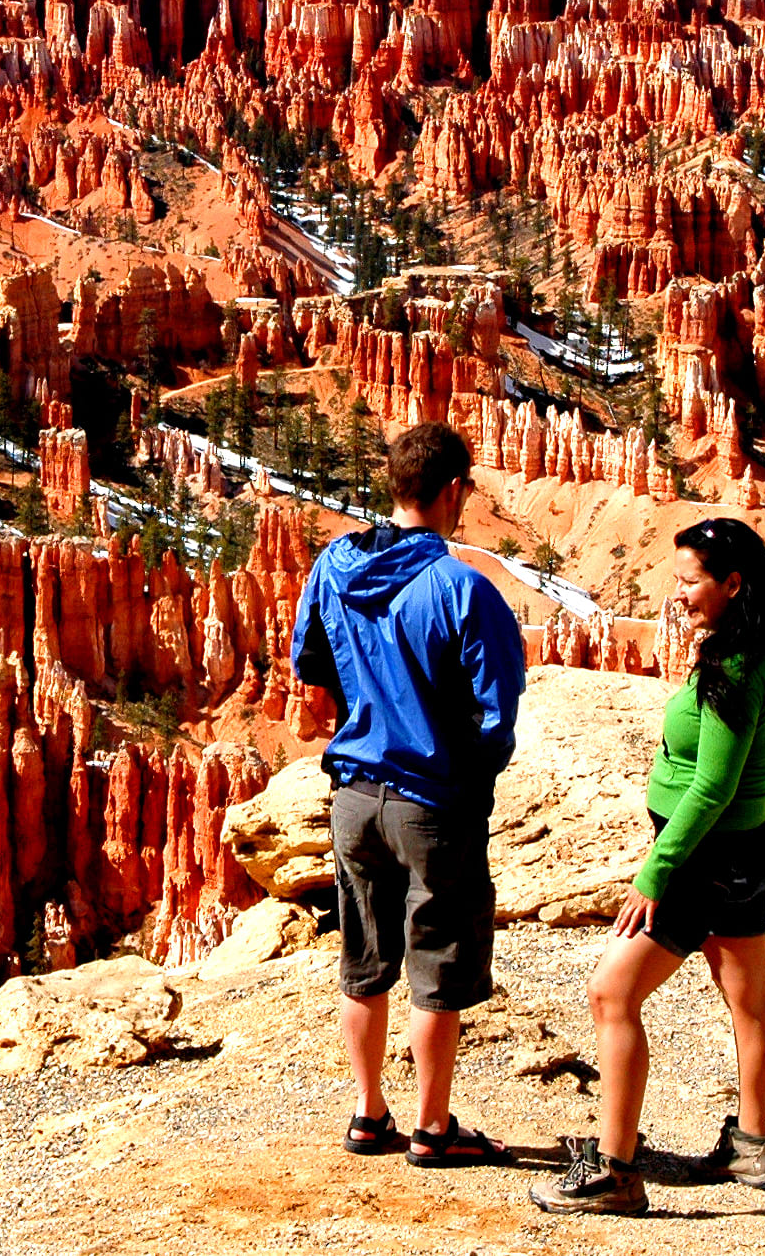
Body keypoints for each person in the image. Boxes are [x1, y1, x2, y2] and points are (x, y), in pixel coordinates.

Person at [531, 516, 765, 1216]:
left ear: (732, 583)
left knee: (612, 994)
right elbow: (754, 768)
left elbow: (713, 786)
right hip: (752, 847)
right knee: (747, 995)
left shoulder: (733, 667)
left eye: (690, 581)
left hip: (703, 857)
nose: (679, 595)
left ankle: (615, 1170)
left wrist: (657, 870)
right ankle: (751, 1143)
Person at [290, 421, 526, 1167]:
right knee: (438, 965)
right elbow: (498, 711)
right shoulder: (462, 587)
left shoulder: (333, 565)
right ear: (453, 489)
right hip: (433, 799)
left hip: (354, 791)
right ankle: (432, 1126)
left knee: (364, 957)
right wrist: (469, 774)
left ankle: (368, 1113)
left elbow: (307, 659)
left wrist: (369, 700)